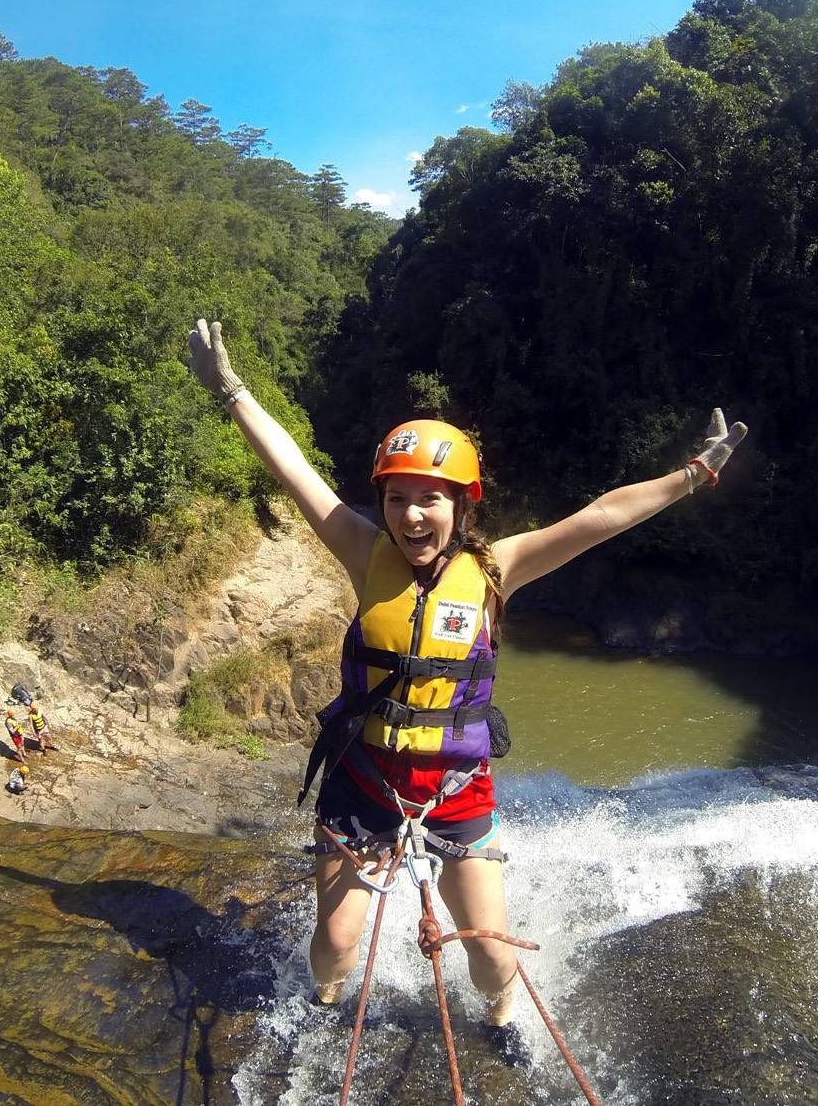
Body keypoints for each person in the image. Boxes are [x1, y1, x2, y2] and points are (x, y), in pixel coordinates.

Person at [185, 318, 747, 1036]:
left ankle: (504, 1006)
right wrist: (230, 389)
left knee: (488, 954)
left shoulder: (493, 572)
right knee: (334, 946)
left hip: (454, 788)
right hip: (366, 777)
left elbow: (600, 516)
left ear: (461, 504)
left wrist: (693, 474)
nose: (412, 514)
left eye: (430, 498)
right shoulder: (363, 551)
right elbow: (292, 468)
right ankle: (324, 999)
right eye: (397, 498)